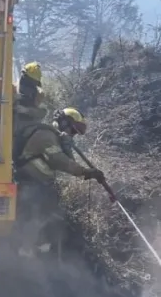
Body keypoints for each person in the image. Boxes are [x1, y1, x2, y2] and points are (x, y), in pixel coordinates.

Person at [14, 107, 105, 256]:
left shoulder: (55, 138)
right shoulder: (45, 135)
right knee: (35, 217)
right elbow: (59, 161)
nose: (73, 135)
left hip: (37, 185)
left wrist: (67, 147)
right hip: (29, 184)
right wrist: (86, 172)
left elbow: (68, 162)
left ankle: (38, 250)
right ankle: (25, 251)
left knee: (45, 216)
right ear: (63, 123)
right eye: (73, 130)